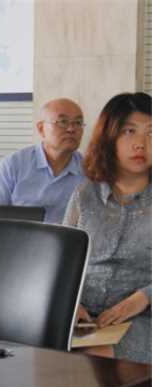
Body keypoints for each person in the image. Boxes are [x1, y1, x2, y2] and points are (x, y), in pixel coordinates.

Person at [63, 92, 151, 364]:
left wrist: (143, 298)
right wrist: (71, 302)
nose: (141, 143)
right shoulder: (85, 194)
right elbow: (62, 259)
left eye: (151, 133)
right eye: (129, 131)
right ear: (108, 138)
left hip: (142, 316)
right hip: (82, 315)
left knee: (93, 361)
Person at [0, 98, 86, 223]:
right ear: (41, 129)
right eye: (63, 122)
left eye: (78, 122)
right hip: (20, 234)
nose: (71, 129)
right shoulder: (13, 164)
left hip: (68, 235)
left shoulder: (90, 170)